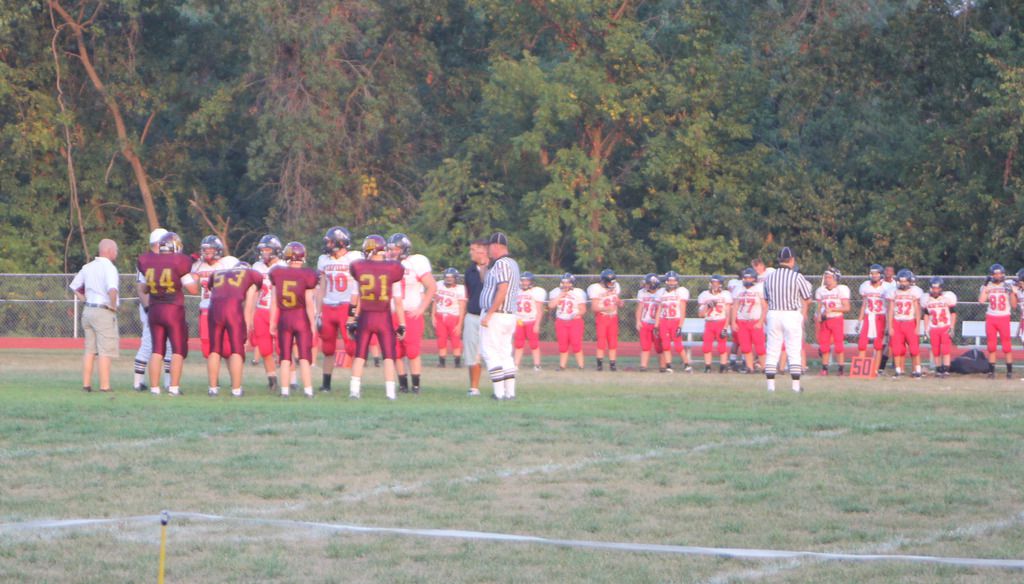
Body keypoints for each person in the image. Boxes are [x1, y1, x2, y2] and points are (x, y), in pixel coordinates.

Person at [137, 232, 198, 396]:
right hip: (173, 310)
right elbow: (193, 289)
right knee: (177, 350)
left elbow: (144, 288)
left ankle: (154, 388)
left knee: (157, 350)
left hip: (155, 310)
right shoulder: (179, 262)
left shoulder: (149, 261)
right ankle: (174, 388)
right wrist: (195, 279)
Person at [348, 235, 407, 400]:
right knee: (388, 356)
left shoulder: (359, 266)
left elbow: (354, 300)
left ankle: (354, 390)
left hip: (366, 316)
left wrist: (351, 319)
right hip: (383, 318)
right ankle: (390, 392)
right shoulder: (393, 268)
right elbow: (398, 301)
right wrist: (402, 324)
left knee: (360, 355)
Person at [388, 233, 437, 394]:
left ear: (405, 249)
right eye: (391, 249)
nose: (393, 252)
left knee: (412, 351)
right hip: (392, 312)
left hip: (410, 312)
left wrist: (421, 309)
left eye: (396, 248)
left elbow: (432, 286)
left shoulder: (416, 262)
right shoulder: (386, 262)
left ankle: (416, 385)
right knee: (395, 352)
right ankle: (402, 384)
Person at [268, 242, 319, 398]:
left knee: (284, 357)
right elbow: (309, 302)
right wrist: (312, 324)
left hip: (284, 317)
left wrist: (272, 322)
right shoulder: (308, 274)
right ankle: (308, 390)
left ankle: (285, 391)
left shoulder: (277, 272)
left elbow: (274, 301)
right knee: (304, 356)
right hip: (301, 318)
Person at [69, 239, 120, 393]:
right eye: (116, 250)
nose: (116, 253)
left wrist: (84, 299)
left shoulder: (88, 267)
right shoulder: (109, 268)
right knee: (105, 350)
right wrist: (113, 305)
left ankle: (86, 385)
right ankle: (105, 386)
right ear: (109, 251)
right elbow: (112, 289)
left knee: (90, 350)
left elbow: (74, 286)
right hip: (103, 310)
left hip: (88, 310)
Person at [315, 226, 363, 391]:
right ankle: (326, 385)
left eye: (330, 242)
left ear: (340, 242)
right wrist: (318, 312)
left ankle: (355, 384)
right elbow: (322, 287)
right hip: (328, 306)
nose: (327, 245)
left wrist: (356, 312)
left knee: (352, 347)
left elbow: (360, 287)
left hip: (346, 306)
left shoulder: (354, 258)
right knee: (327, 348)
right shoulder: (324, 260)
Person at [205, 261, 262, 397]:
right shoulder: (251, 276)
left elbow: (213, 290)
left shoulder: (219, 273)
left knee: (214, 349)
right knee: (237, 349)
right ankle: (236, 389)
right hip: (233, 310)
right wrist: (246, 328)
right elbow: (248, 306)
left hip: (214, 309)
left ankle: (213, 388)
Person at [762, 246, 813, 392]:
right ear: (792, 260)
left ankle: (770, 387)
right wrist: (802, 312)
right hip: (791, 314)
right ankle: (795, 387)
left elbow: (766, 298)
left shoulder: (769, 277)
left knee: (772, 350)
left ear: (779, 260)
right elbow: (807, 298)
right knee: (794, 349)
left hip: (774, 313)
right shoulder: (797, 277)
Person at [480, 231, 521, 400]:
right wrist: (484, 266)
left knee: (490, 352)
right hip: (508, 314)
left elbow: (502, 289)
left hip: (497, 314)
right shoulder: (512, 263)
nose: (488, 249)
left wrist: (489, 314)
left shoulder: (501, 264)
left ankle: (499, 393)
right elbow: (487, 282)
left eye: (489, 246)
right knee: (505, 353)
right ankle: (510, 393)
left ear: (497, 246)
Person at [133, 228, 171, 391]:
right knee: (149, 342)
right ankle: (138, 382)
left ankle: (169, 382)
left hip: (167, 306)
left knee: (169, 345)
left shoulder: (168, 260)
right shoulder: (147, 261)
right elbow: (141, 288)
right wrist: (149, 308)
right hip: (154, 306)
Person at [192, 235, 239, 359]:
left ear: (218, 249)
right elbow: (192, 286)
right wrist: (188, 264)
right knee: (208, 349)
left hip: (225, 310)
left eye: (211, 249)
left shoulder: (228, 263)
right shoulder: (198, 265)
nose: (207, 252)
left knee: (228, 349)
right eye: (205, 249)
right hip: (206, 309)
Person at [249, 234, 283, 392]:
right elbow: (253, 292)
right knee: (265, 349)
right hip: (261, 310)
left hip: (281, 311)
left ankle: (292, 380)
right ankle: (272, 380)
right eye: (262, 250)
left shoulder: (284, 266)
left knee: (284, 348)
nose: (264, 253)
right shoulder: (257, 267)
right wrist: (250, 314)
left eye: (268, 250)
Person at [979, 263, 1017, 379]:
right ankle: (991, 372)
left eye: (1000, 274)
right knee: (991, 346)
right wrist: (985, 287)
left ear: (1003, 274)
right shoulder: (988, 286)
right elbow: (981, 301)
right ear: (991, 275)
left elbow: (1014, 305)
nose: (998, 276)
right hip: (991, 317)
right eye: (995, 274)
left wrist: (1012, 292)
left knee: (1007, 346)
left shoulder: (1008, 284)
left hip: (1004, 317)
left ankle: (1009, 372)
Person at [885, 269, 924, 379]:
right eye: (901, 281)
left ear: (910, 281)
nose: (903, 284)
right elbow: (891, 310)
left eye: (905, 281)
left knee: (914, 349)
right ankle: (898, 371)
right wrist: (890, 326)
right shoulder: (893, 292)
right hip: (897, 322)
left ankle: (917, 370)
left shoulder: (914, 291)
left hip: (910, 322)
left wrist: (917, 326)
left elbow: (917, 310)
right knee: (897, 349)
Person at [463, 238, 489, 396]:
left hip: (491, 317)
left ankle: (501, 387)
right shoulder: (470, 271)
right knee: (472, 353)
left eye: (473, 249)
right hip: (473, 315)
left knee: (493, 352)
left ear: (483, 250)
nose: (470, 252)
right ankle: (474, 387)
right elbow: (469, 294)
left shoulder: (495, 268)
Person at [814, 267, 851, 376]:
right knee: (824, 345)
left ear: (836, 278)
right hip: (825, 320)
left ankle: (841, 369)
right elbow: (818, 306)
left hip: (836, 319)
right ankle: (824, 368)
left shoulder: (841, 289)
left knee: (839, 345)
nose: (827, 279)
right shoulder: (821, 290)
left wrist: (833, 309)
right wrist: (819, 315)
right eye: (826, 277)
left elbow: (847, 307)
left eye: (829, 277)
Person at [655, 271, 692, 373]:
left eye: (673, 280)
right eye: (670, 280)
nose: (672, 283)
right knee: (665, 345)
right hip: (664, 321)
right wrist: (656, 324)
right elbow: (659, 309)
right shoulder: (661, 292)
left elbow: (683, 311)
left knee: (678, 345)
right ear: (666, 281)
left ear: (677, 281)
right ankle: (668, 366)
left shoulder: (681, 291)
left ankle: (687, 365)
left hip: (675, 320)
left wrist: (680, 325)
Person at [731, 268, 767, 373]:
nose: (747, 280)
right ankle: (749, 368)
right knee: (745, 347)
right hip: (742, 321)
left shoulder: (759, 288)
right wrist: (733, 322)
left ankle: (764, 367)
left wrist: (760, 321)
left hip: (755, 320)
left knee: (760, 347)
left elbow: (765, 307)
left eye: (750, 278)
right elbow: (735, 306)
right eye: (746, 278)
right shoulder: (739, 289)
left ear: (754, 278)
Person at [548, 273, 587, 370]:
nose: (565, 285)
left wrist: (577, 314)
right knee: (563, 345)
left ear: (572, 283)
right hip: (561, 320)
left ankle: (581, 366)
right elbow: (551, 305)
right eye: (564, 282)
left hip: (575, 321)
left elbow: (583, 309)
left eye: (568, 283)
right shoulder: (556, 292)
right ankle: (562, 366)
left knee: (576, 343)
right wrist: (560, 295)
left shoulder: (578, 292)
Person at [921, 277, 957, 378]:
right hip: (934, 328)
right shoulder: (926, 299)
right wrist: (926, 329)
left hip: (945, 326)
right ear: (930, 288)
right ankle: (938, 369)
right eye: (933, 288)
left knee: (945, 349)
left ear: (941, 288)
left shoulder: (947, 297)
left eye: (937, 288)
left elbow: (953, 313)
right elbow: (926, 315)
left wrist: (952, 327)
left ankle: (946, 369)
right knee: (935, 350)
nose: (935, 290)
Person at [587, 268, 623, 371]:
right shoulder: (596, 288)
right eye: (609, 282)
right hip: (602, 317)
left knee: (613, 342)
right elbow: (594, 307)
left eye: (612, 282)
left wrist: (619, 302)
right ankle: (599, 365)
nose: (611, 284)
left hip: (613, 317)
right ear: (603, 281)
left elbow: (616, 299)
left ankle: (612, 365)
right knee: (601, 341)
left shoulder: (616, 286)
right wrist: (606, 308)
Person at [697, 275, 733, 373]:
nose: (715, 285)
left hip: (721, 322)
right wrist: (707, 306)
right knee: (706, 346)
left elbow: (728, 313)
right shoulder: (704, 295)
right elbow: (700, 314)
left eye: (717, 283)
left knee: (722, 347)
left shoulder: (725, 294)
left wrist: (725, 327)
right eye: (713, 283)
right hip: (709, 323)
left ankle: (723, 366)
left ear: (721, 284)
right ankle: (708, 367)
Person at [857, 264, 888, 375]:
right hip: (868, 316)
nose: (874, 275)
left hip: (880, 316)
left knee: (878, 345)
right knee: (862, 343)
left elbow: (889, 307)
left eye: (876, 273)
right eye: (872, 273)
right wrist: (859, 320)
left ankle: (875, 370)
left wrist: (888, 323)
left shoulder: (887, 287)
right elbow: (864, 304)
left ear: (881, 274)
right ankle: (861, 370)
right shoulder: (865, 286)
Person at [432, 267, 467, 368]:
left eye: (451, 277)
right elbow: (435, 301)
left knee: (455, 340)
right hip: (440, 315)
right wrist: (433, 315)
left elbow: (462, 307)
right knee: (441, 339)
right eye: (447, 277)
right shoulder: (439, 284)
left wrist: (460, 323)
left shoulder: (460, 288)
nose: (449, 279)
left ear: (456, 278)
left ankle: (457, 362)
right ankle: (442, 362)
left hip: (453, 317)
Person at [514, 272, 546, 370]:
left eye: (527, 281)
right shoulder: (516, 291)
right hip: (519, 321)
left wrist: (537, 324)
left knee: (534, 344)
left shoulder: (536, 292)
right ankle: (516, 364)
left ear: (531, 281)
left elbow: (539, 310)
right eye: (523, 280)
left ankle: (537, 364)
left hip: (531, 320)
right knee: (518, 344)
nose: (525, 283)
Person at [635, 273, 664, 372]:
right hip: (645, 322)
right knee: (645, 347)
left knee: (659, 347)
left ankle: (662, 367)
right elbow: (640, 308)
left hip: (657, 324)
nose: (645, 285)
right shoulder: (642, 292)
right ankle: (643, 366)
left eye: (647, 283)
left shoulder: (662, 293)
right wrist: (638, 321)